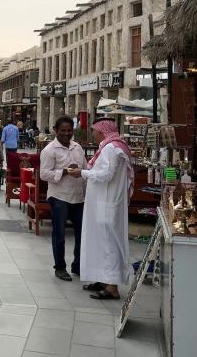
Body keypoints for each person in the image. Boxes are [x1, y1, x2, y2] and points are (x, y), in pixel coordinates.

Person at [66, 118, 134, 300]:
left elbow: (106, 174)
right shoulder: (110, 146)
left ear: (102, 131)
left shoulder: (112, 148)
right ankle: (103, 279)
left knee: (108, 244)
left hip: (107, 205)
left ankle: (112, 286)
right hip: (103, 204)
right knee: (100, 242)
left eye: (94, 130)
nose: (92, 133)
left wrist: (81, 173)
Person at [40, 116, 86, 282]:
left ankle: (78, 265)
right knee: (59, 233)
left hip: (78, 197)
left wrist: (80, 173)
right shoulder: (50, 150)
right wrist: (65, 171)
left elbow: (85, 169)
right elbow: (44, 174)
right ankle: (60, 267)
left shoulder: (77, 148)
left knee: (81, 233)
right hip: (59, 196)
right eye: (63, 131)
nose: (67, 134)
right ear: (55, 130)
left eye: (69, 131)